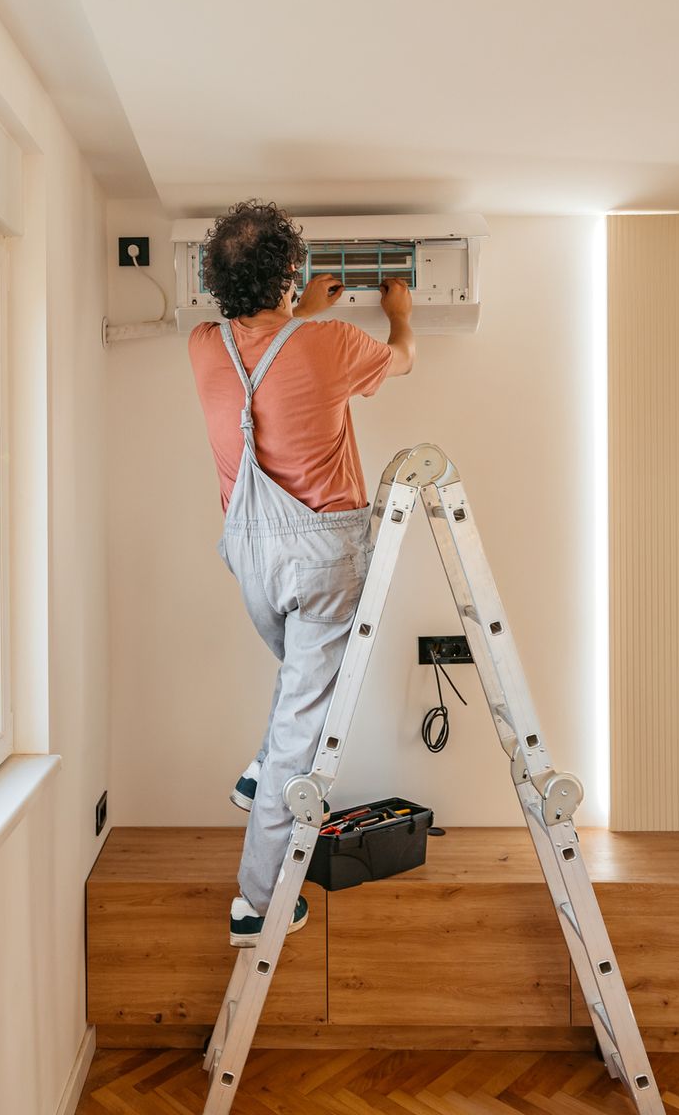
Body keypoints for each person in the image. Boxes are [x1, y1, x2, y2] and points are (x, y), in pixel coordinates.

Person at [187, 199, 415, 946]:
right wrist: (401, 313)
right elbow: (403, 359)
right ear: (291, 272)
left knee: (298, 691)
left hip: (250, 554)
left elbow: (270, 354)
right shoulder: (331, 345)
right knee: (304, 726)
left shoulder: (203, 345)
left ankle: (260, 772)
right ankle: (258, 901)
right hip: (322, 557)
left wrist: (298, 315)